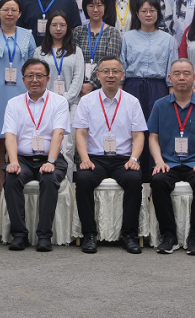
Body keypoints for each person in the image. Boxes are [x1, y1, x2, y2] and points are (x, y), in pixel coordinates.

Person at [74, 56, 147, 254]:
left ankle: (129, 235)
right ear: (97, 75)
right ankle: (89, 234)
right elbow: (80, 133)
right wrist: (84, 159)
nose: (110, 75)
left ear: (122, 75)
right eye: (106, 71)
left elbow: (139, 135)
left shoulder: (132, 102)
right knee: (83, 178)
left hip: (123, 159)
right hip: (95, 158)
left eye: (115, 71)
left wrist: (134, 159)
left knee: (134, 179)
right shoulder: (87, 101)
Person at [147, 59, 195, 255]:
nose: (181, 77)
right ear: (169, 78)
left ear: (194, 78)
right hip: (168, 162)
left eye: (186, 73)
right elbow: (153, 137)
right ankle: (169, 235)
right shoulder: (160, 105)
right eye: (176, 74)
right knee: (158, 181)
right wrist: (159, 161)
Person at [2, 58, 71, 251]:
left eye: (39, 75)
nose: (34, 80)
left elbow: (58, 133)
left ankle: (44, 235)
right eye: (30, 76)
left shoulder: (59, 102)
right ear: (23, 79)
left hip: (50, 157)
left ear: (48, 79)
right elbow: (10, 135)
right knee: (12, 178)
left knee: (49, 179)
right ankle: (19, 235)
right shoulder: (14, 103)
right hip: (22, 158)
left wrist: (51, 161)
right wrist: (13, 161)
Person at [0, 0, 35, 197]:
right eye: (5, 9)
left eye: (14, 10)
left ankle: (16, 186)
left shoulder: (28, 35)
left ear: (19, 14)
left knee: (20, 140)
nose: (9, 13)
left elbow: (32, 68)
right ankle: (1, 190)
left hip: (21, 93)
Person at [120, 0, 176, 175]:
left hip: (158, 88)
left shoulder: (168, 39)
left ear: (158, 13)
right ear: (137, 14)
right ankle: (132, 169)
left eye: (152, 10)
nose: (148, 14)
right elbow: (121, 67)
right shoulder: (127, 37)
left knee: (155, 129)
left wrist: (171, 98)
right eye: (144, 11)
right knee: (132, 127)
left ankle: (155, 170)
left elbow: (171, 71)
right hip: (132, 86)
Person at [75, 0, 123, 95]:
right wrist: (79, 85)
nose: (95, 9)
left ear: (105, 7)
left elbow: (109, 61)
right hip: (79, 88)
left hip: (104, 87)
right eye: (91, 6)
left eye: (99, 5)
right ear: (85, 8)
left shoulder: (112, 32)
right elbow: (75, 61)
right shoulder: (78, 31)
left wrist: (91, 84)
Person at [36, 9, 83, 110]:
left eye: (62, 25)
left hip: (71, 105)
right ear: (48, 27)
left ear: (68, 27)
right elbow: (37, 78)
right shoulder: (39, 51)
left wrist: (66, 99)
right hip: (46, 104)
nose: (58, 28)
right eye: (54, 25)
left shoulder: (76, 51)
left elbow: (78, 78)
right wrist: (49, 99)